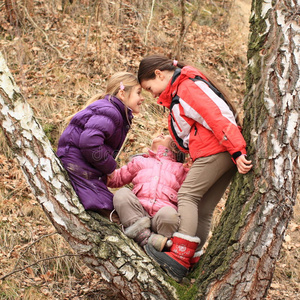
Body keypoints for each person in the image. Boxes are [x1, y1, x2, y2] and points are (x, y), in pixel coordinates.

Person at [137, 54, 253, 282]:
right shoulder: (179, 93)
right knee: (203, 207)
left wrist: (237, 149)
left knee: (187, 195)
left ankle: (179, 255)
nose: (151, 94)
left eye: (149, 88)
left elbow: (217, 116)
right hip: (220, 150)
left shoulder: (187, 88)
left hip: (217, 149)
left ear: (159, 74)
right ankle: (192, 258)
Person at [57, 72, 144, 214]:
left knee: (110, 206)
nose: (142, 99)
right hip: (77, 163)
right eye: (138, 93)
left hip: (82, 164)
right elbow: (90, 142)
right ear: (122, 94)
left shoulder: (112, 110)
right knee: (106, 208)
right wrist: (110, 167)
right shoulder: (111, 111)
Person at [107, 133, 189, 251]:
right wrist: (103, 167)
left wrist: (190, 169)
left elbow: (191, 191)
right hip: (137, 214)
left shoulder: (180, 169)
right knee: (122, 194)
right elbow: (116, 179)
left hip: (160, 220)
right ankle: (146, 237)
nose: (161, 134)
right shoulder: (139, 161)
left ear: (176, 147)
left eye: (166, 135)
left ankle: (159, 244)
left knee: (169, 215)